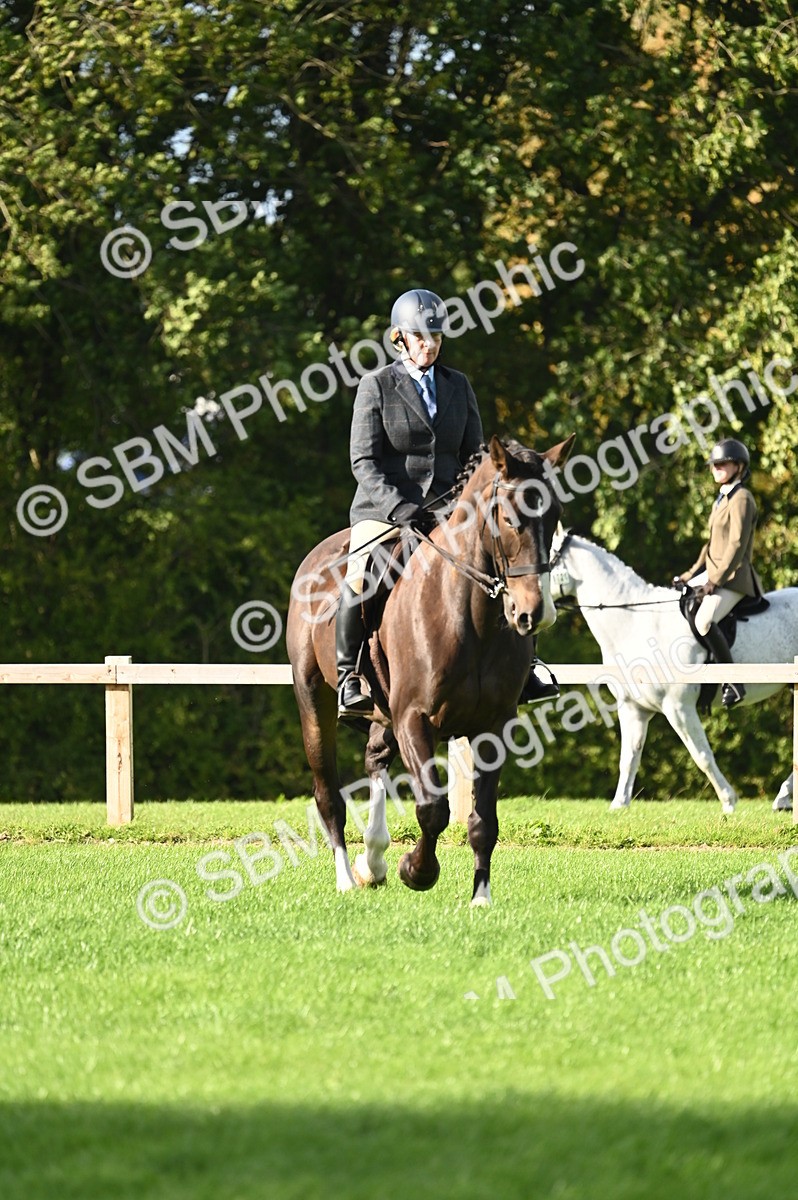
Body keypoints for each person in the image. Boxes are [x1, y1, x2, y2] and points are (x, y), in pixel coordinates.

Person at [335, 287, 558, 719]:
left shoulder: (458, 385)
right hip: (386, 510)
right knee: (362, 575)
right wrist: (399, 507)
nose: (430, 345)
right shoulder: (376, 386)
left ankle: (526, 666)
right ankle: (350, 677)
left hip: (451, 511)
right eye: (421, 337)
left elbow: (475, 456)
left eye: (436, 336)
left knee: (512, 559)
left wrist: (464, 504)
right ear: (399, 338)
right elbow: (362, 460)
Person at [674, 437, 761, 708]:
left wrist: (715, 581)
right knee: (681, 600)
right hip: (714, 573)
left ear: (738, 466)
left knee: (703, 622)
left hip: (735, 578)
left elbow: (736, 544)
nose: (716, 468)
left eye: (722, 464)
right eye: (714, 464)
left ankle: (734, 682)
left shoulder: (742, 498)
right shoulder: (722, 498)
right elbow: (711, 545)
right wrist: (690, 574)